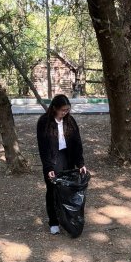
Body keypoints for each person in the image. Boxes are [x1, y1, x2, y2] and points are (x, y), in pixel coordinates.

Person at [36, 94, 87, 234]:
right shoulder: (44, 122)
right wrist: (48, 167)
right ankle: (53, 222)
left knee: (67, 190)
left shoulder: (70, 121)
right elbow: (43, 148)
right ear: (54, 108)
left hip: (68, 158)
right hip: (52, 160)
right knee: (52, 191)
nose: (65, 113)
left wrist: (80, 163)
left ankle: (67, 218)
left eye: (67, 110)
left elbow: (77, 143)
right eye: (62, 110)